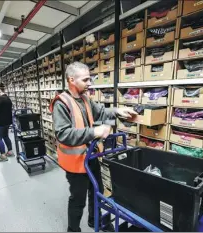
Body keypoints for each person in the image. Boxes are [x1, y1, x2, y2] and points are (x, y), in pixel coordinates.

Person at [49, 62, 137, 232]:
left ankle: (93, 220)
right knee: (78, 198)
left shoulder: (85, 99)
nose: (90, 83)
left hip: (91, 157)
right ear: (71, 80)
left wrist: (118, 111)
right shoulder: (61, 103)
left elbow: (101, 112)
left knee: (97, 191)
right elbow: (63, 134)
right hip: (75, 162)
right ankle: (73, 229)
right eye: (86, 79)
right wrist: (95, 131)